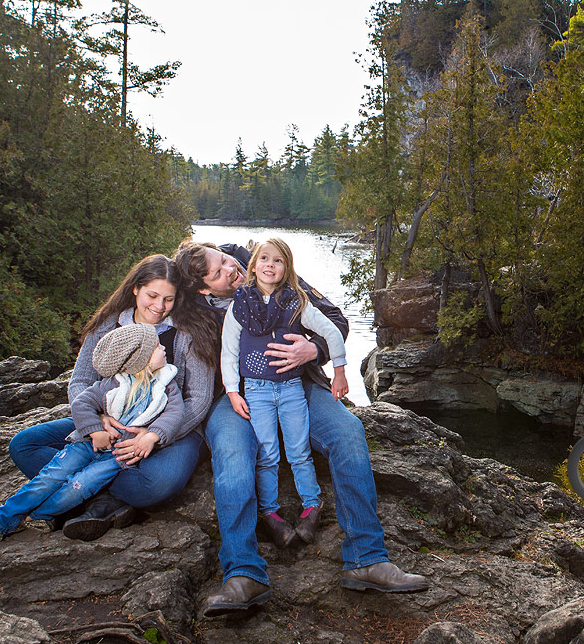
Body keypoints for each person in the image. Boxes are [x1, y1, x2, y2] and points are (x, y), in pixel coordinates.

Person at [172, 240, 428, 618]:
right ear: (203, 288)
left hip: (297, 384)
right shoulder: (191, 309)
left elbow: (334, 318)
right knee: (233, 454)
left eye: (227, 260)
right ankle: (243, 574)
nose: (232, 268)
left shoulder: (268, 265)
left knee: (348, 433)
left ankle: (366, 558)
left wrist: (314, 349)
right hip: (237, 397)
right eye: (220, 271)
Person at [7, 254, 212, 541]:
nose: (159, 306)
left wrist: (154, 433)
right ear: (135, 288)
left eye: (168, 299)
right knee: (24, 445)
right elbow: (80, 381)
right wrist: (98, 421)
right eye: (152, 295)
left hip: (172, 427)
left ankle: (87, 494)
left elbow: (199, 398)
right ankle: (102, 498)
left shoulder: (189, 332)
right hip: (111, 423)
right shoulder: (108, 325)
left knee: (159, 483)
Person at [0, 324, 179, 544]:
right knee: (49, 477)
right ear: (140, 359)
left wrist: (153, 435)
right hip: (85, 445)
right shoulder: (112, 385)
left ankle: (35, 515)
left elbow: (175, 413)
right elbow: (82, 403)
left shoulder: (165, 385)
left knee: (80, 486)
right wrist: (94, 430)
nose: (163, 349)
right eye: (157, 347)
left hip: (118, 457)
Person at [221, 238, 348, 547]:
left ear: (287, 268)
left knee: (299, 450)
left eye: (278, 260)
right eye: (263, 258)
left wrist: (340, 372)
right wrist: (232, 392)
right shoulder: (240, 305)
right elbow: (228, 351)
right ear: (252, 265)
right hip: (256, 390)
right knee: (266, 454)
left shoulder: (296, 302)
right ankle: (270, 513)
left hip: (291, 388)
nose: (270, 264)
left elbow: (331, 330)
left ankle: (311, 505)